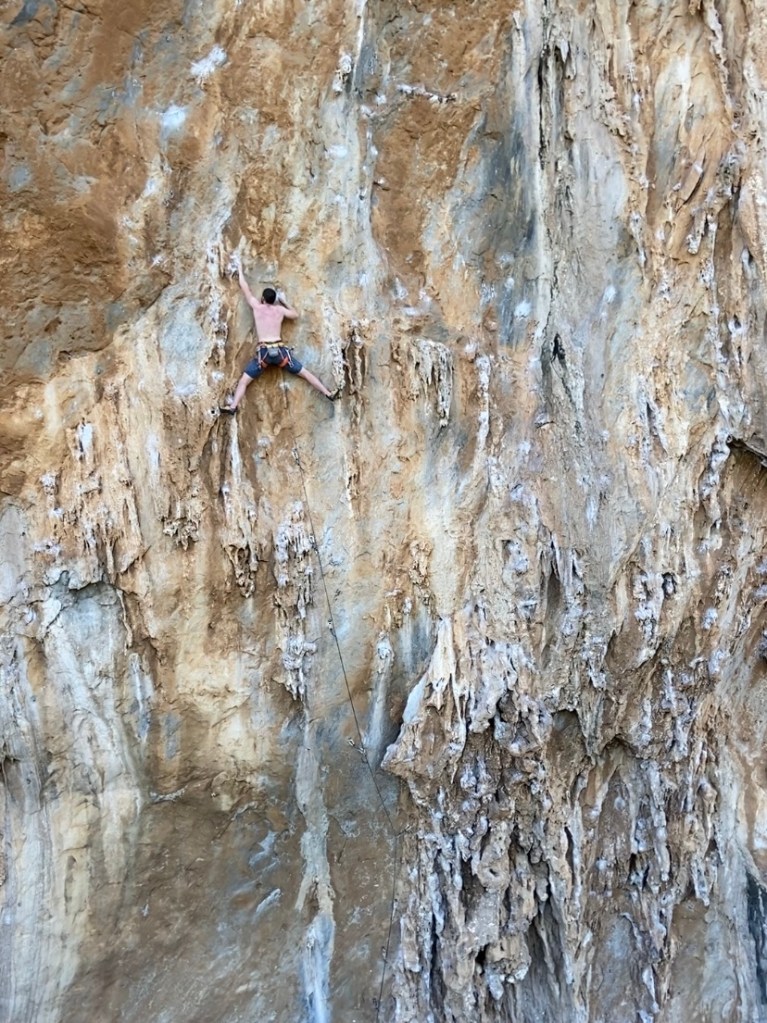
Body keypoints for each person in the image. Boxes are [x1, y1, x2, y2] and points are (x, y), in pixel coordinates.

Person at [220, 267, 335, 413]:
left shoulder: (257, 307)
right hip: (281, 352)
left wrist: (240, 270)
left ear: (262, 299)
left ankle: (233, 406)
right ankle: (328, 393)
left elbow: (245, 288)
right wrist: (283, 302)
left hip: (264, 354)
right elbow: (295, 315)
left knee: (244, 381)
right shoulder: (279, 310)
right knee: (305, 373)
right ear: (274, 300)